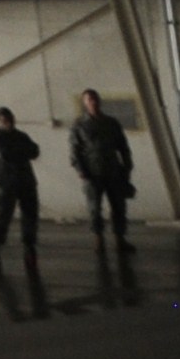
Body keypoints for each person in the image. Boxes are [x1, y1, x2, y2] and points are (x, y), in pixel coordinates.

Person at [68, 91, 138, 246]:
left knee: (119, 206)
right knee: (94, 207)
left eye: (95, 99)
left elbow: (122, 146)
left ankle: (120, 238)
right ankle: (98, 238)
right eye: (89, 99)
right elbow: (75, 150)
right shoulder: (79, 125)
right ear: (85, 102)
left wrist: (127, 166)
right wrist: (80, 170)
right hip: (92, 172)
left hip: (113, 170)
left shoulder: (111, 123)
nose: (93, 102)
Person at [0, 108, 47, 267]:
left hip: (23, 180)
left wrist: (18, 152)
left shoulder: (20, 135)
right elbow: (4, 155)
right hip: (8, 181)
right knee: (3, 217)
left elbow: (34, 151)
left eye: (9, 118)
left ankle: (29, 247)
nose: (8, 121)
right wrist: (22, 152)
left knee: (30, 215)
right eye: (4, 119)